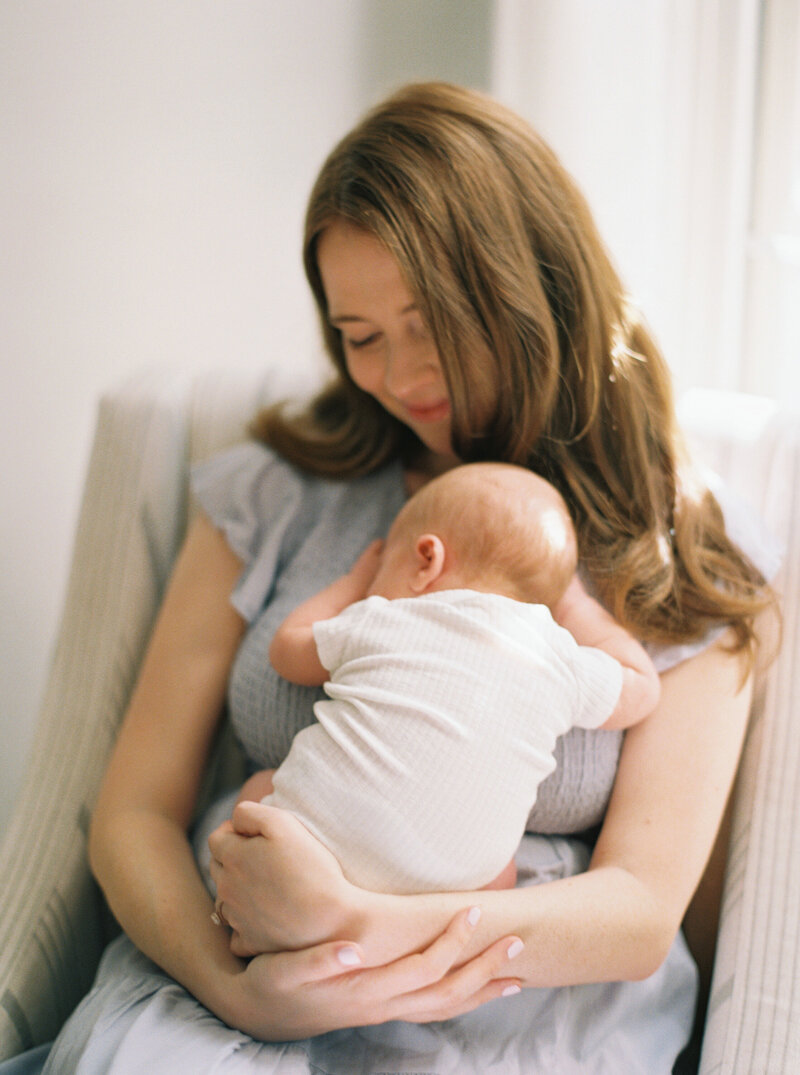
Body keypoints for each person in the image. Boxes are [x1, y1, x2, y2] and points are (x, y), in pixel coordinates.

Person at [36, 81, 778, 1074]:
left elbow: (640, 911)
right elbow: (132, 811)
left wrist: (359, 926)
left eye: (429, 320)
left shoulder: (675, 552)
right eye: (359, 335)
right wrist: (234, 985)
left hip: (507, 1001)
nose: (399, 374)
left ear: (529, 288)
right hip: (226, 962)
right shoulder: (275, 491)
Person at [233, 461, 660, 900]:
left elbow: (288, 650)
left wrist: (355, 582)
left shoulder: (384, 617)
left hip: (312, 852)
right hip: (444, 895)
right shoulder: (559, 661)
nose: (371, 590)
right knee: (503, 872)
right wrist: (577, 608)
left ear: (426, 559)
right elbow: (642, 687)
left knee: (259, 789)